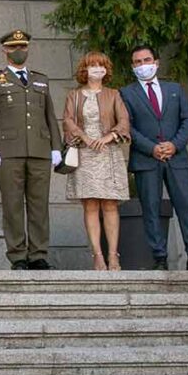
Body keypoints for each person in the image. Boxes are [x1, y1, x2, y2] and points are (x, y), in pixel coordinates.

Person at [119, 45, 188, 271]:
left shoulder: (174, 89)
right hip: (146, 159)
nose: (143, 65)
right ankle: (159, 257)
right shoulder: (126, 93)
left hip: (177, 158)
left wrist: (174, 144)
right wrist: (151, 148)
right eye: (137, 62)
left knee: (186, 206)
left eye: (146, 60)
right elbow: (128, 127)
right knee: (151, 209)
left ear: (157, 61)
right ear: (133, 66)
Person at [0, 29, 62, 270]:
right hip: (8, 151)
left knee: (39, 205)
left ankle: (38, 253)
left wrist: (56, 147)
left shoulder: (41, 79)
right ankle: (17, 255)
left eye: (23, 47)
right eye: (14, 47)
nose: (19, 51)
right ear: (5, 50)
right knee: (13, 205)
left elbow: (50, 115)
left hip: (39, 148)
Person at [63, 51, 130, 271]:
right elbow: (68, 120)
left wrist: (108, 137)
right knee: (90, 204)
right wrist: (85, 137)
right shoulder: (75, 95)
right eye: (93, 65)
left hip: (108, 153)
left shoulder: (113, 94)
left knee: (110, 204)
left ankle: (113, 255)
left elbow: (123, 121)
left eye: (101, 65)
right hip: (85, 152)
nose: (97, 69)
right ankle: (98, 255)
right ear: (85, 69)